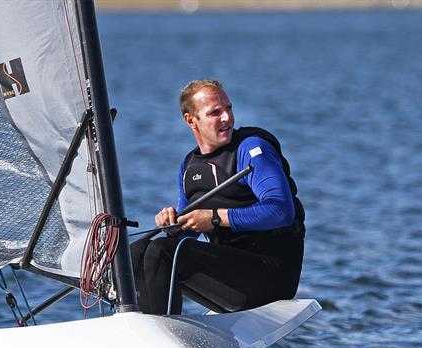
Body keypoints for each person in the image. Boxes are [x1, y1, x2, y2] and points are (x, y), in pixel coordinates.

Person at [130, 79, 305, 315]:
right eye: (215, 112)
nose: (227, 118)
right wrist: (173, 225)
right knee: (137, 251)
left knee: (163, 252)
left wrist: (214, 218)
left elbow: (281, 211)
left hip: (272, 275)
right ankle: (141, 325)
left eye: (229, 108)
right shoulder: (190, 165)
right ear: (191, 120)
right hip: (232, 273)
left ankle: (162, 328)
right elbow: (188, 229)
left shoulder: (252, 149)